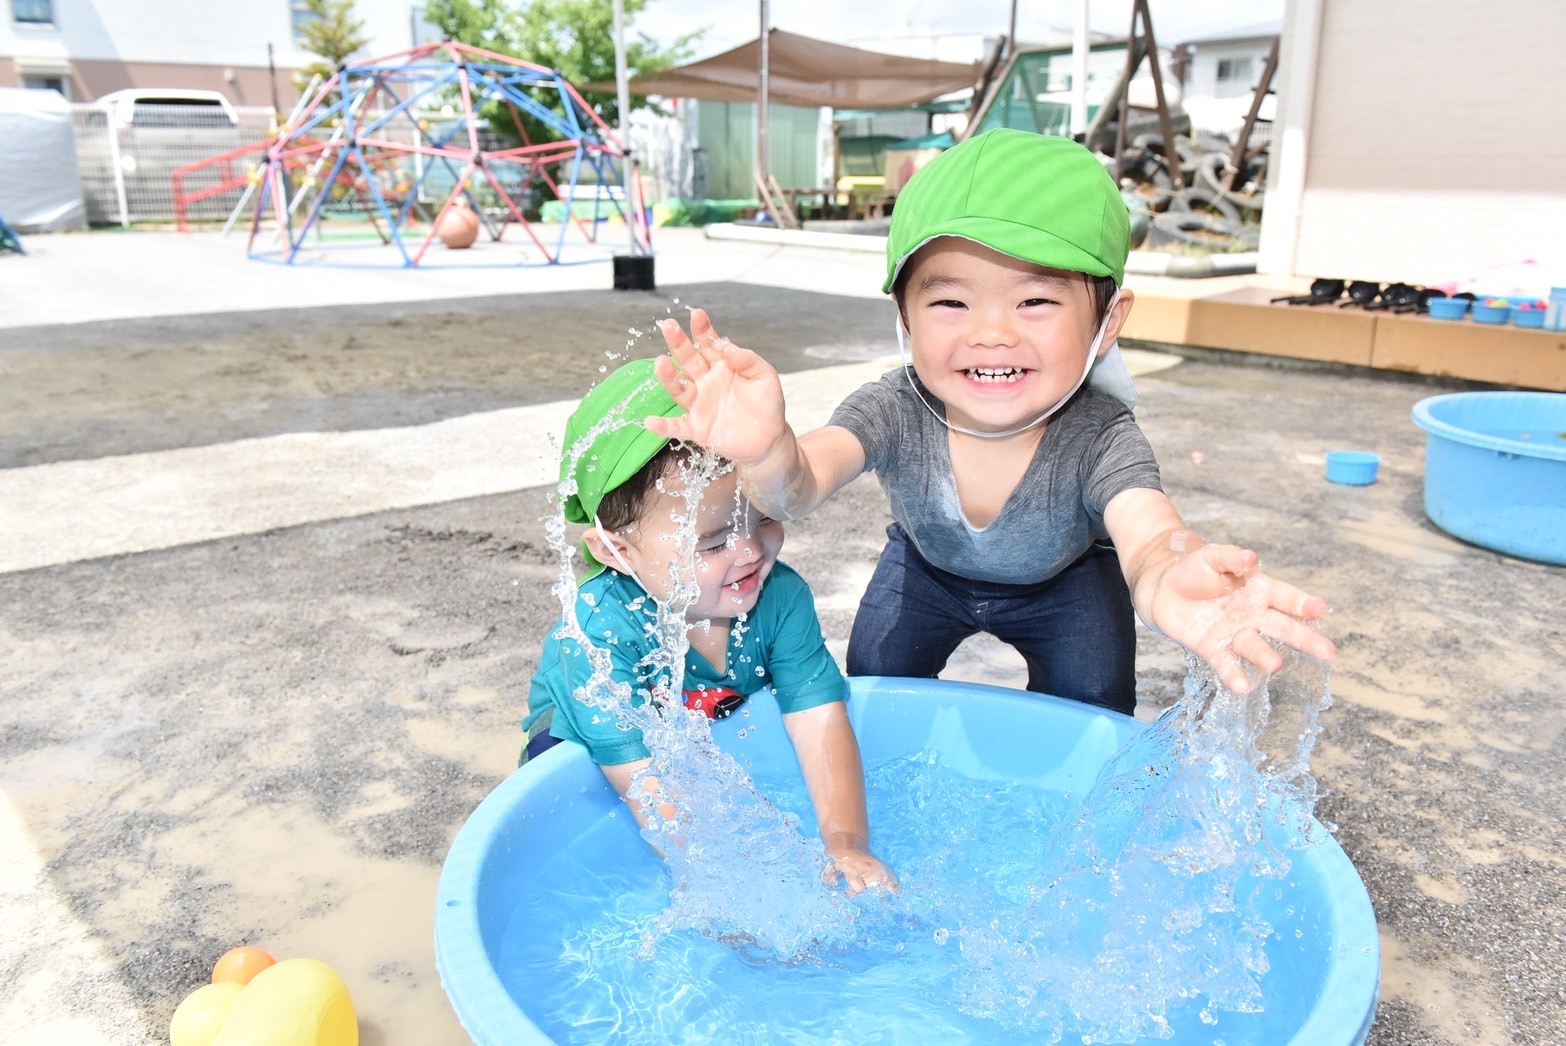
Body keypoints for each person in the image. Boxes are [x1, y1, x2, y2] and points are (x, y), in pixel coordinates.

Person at [647, 128, 1337, 714]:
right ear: (904, 318)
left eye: (1036, 300)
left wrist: (1164, 576)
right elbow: (798, 487)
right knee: (876, 691)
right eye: (951, 303)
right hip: (926, 572)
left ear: (1109, 321)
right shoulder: (896, 408)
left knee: (1093, 705)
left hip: (1065, 584)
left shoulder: (1099, 434)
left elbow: (1148, 527)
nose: (992, 334)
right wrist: (769, 449)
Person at [524, 358, 898, 895]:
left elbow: (818, 721)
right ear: (617, 552)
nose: (749, 551)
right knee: (568, 819)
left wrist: (846, 843)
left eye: (764, 517)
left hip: (702, 721)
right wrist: (717, 880)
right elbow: (642, 778)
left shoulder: (781, 597)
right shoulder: (598, 627)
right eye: (713, 542)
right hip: (588, 752)